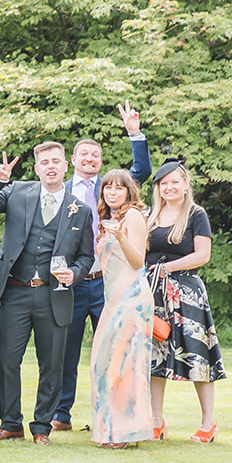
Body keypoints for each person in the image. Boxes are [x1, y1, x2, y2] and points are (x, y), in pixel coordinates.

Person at [0, 143, 95, 444]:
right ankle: (10, 423)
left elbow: (87, 256)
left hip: (53, 295)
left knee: (52, 363)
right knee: (5, 358)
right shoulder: (17, 192)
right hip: (16, 292)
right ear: (36, 168)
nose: (51, 166)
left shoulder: (80, 210)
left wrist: (76, 273)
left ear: (65, 166)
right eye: (44, 162)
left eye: (56, 161)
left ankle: (42, 427)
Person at [54, 104, 155, 431]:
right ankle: (61, 415)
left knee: (116, 352)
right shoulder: (59, 191)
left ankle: (116, 415)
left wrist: (133, 133)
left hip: (110, 284)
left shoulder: (112, 188)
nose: (89, 159)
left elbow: (142, 169)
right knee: (69, 352)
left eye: (95, 155)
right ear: (73, 160)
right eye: (83, 154)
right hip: (73, 281)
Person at [144, 160, 224, 442]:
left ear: (186, 184)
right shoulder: (150, 214)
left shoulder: (195, 214)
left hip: (186, 293)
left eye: (175, 182)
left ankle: (207, 423)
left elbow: (203, 255)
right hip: (152, 293)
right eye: (164, 183)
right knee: (154, 357)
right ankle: (156, 421)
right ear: (158, 188)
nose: (169, 187)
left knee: (197, 356)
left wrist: (168, 268)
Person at [91, 169, 153, 447]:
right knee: (101, 364)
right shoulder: (110, 220)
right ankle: (110, 428)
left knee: (126, 365)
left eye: (118, 188)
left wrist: (120, 237)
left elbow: (138, 261)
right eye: (107, 188)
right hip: (112, 300)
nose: (112, 192)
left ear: (129, 192)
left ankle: (127, 432)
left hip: (133, 299)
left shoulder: (133, 217)